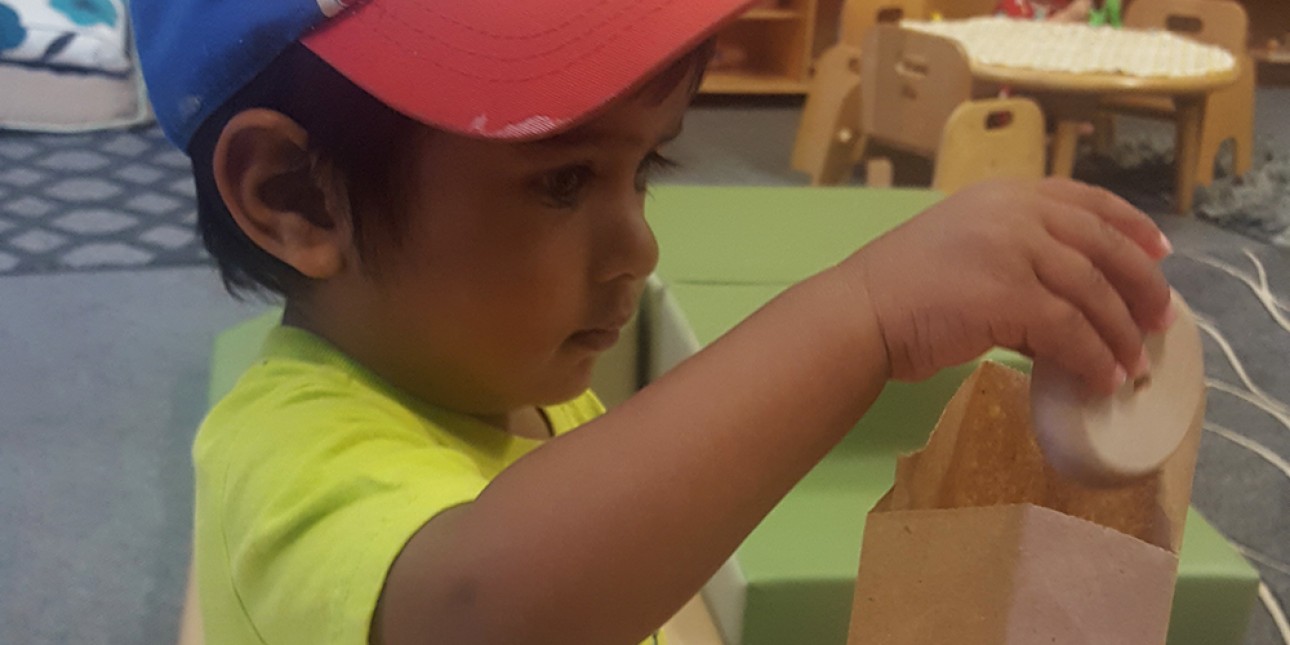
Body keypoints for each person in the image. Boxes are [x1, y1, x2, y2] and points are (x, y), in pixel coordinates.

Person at [131, 0, 1174, 643]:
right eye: (564, 179)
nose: (638, 245)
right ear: (294, 196)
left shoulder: (514, 394)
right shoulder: (289, 458)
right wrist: (864, 316)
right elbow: (483, 618)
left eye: (648, 166)